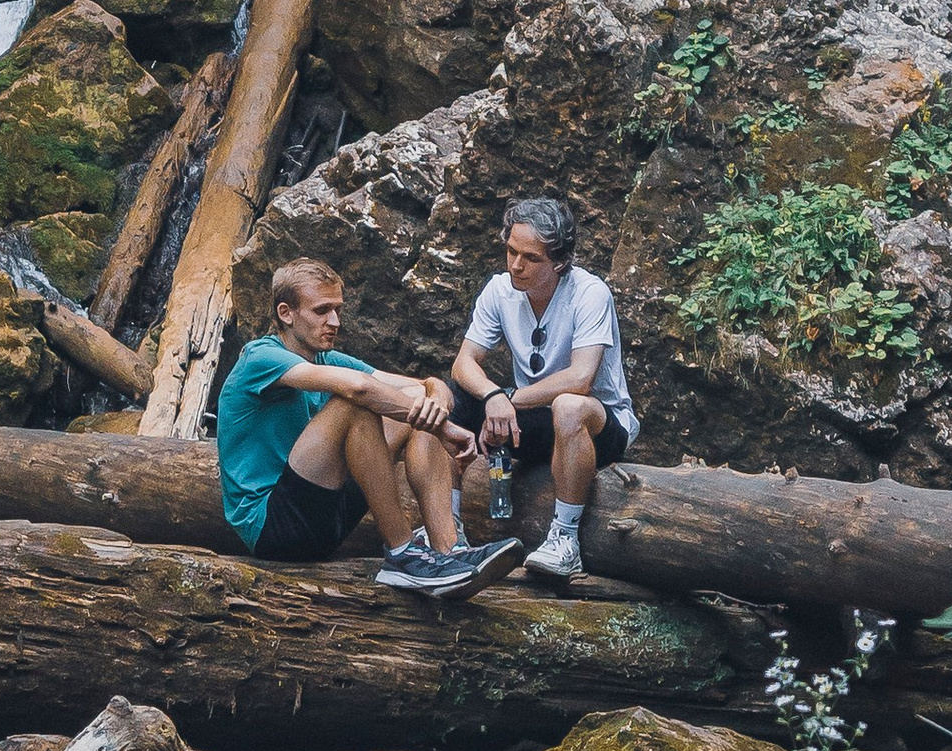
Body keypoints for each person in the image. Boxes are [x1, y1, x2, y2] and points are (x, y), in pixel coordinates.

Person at [216, 256, 523, 602]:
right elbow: (359, 389)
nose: (334, 321)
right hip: (274, 528)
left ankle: (450, 551)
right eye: (321, 311)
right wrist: (448, 428)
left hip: (328, 515)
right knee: (356, 404)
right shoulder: (259, 358)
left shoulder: (326, 358)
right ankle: (403, 552)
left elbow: (424, 385)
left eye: (337, 309)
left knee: (415, 401)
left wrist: (435, 396)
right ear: (287, 313)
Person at [450, 195, 637, 586]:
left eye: (530, 258)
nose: (516, 265)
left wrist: (507, 399)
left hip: (599, 424)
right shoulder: (499, 291)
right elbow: (464, 363)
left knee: (568, 405)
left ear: (560, 261)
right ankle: (448, 538)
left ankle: (564, 539)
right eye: (511, 252)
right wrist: (490, 397)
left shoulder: (589, 293)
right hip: (531, 421)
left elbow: (579, 378)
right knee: (447, 396)